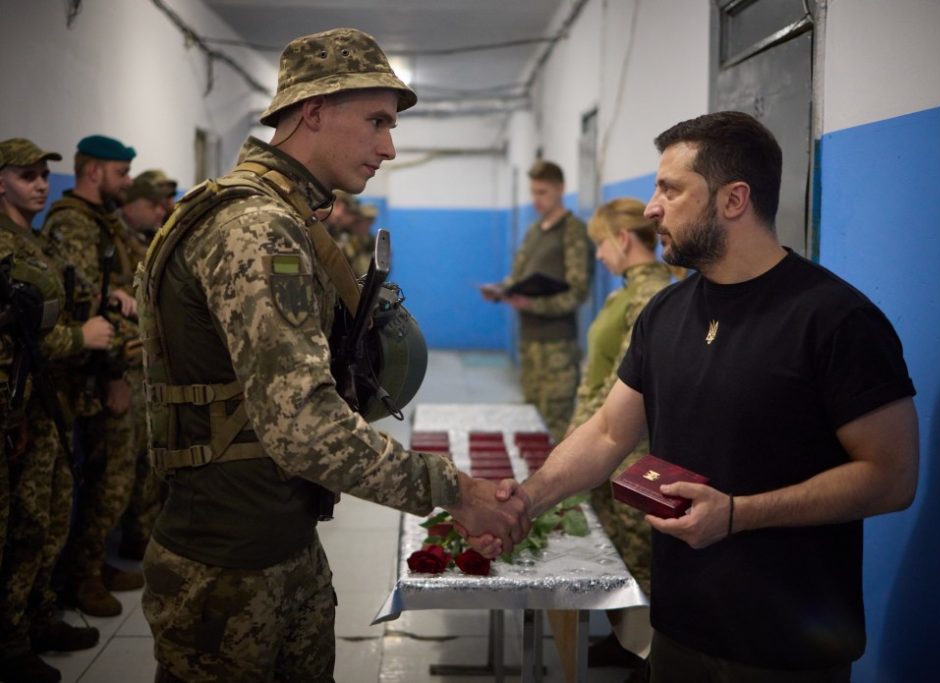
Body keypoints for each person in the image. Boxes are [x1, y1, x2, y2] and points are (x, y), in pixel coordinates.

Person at [136, 27, 528, 681]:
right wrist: (455, 490)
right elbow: (303, 427)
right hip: (228, 571)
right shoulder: (257, 228)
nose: (389, 146)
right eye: (376, 120)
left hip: (277, 544)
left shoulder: (289, 218)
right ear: (313, 111)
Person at [483, 111, 920, 681]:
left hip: (788, 644)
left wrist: (738, 515)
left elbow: (891, 476)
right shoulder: (666, 313)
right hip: (679, 627)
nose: (650, 208)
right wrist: (527, 501)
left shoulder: (835, 319)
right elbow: (609, 432)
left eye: (670, 189)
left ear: (733, 200)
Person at [0, 137, 115, 682]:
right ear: (1, 181)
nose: (41, 184)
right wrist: (80, 336)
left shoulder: (37, 241)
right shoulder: (4, 248)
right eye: (27, 176)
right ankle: (10, 640)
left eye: (44, 175)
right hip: (16, 409)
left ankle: (39, 615)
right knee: (20, 527)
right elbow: (14, 341)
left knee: (45, 520)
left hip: (47, 406)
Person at [567, 198, 672, 679]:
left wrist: (577, 443)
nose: (601, 256)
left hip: (632, 452)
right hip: (607, 448)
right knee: (615, 551)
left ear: (624, 239)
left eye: (601, 246)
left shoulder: (649, 296)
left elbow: (619, 387)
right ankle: (624, 641)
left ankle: (649, 659)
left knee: (638, 554)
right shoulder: (626, 291)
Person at [40, 134, 144, 617]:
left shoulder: (105, 222)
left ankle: (95, 565)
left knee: (116, 478)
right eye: (120, 173)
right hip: (95, 372)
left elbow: (116, 287)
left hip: (113, 363)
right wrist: (116, 372)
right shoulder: (74, 225)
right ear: (94, 172)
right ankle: (82, 576)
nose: (126, 182)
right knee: (108, 479)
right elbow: (85, 301)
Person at [480, 160, 592, 440]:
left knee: (555, 424)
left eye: (543, 192)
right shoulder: (533, 232)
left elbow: (578, 292)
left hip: (557, 346)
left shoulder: (572, 231)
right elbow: (518, 277)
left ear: (560, 189)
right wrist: (500, 290)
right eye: (533, 192)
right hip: (529, 343)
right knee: (531, 420)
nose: (536, 200)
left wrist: (535, 305)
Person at [116, 177, 169, 562]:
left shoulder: (148, 241)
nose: (162, 210)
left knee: (146, 466)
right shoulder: (108, 238)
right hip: (121, 367)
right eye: (153, 203)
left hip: (146, 363)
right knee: (119, 474)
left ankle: (144, 540)